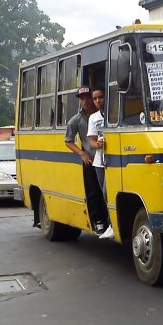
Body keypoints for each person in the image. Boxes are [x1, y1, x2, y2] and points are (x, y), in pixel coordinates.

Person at [64, 86, 110, 237]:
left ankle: (109, 220)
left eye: (87, 97)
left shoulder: (107, 115)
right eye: (82, 98)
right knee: (93, 192)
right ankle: (98, 222)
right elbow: (68, 141)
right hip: (91, 159)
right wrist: (82, 153)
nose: (86, 101)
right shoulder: (76, 119)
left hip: (107, 158)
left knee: (106, 191)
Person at [87, 87, 114, 239]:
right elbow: (91, 141)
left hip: (114, 159)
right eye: (95, 98)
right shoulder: (93, 118)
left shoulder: (115, 114)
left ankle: (112, 224)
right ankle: (110, 224)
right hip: (100, 161)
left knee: (111, 191)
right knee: (105, 194)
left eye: (101, 97)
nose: (98, 101)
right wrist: (97, 144)